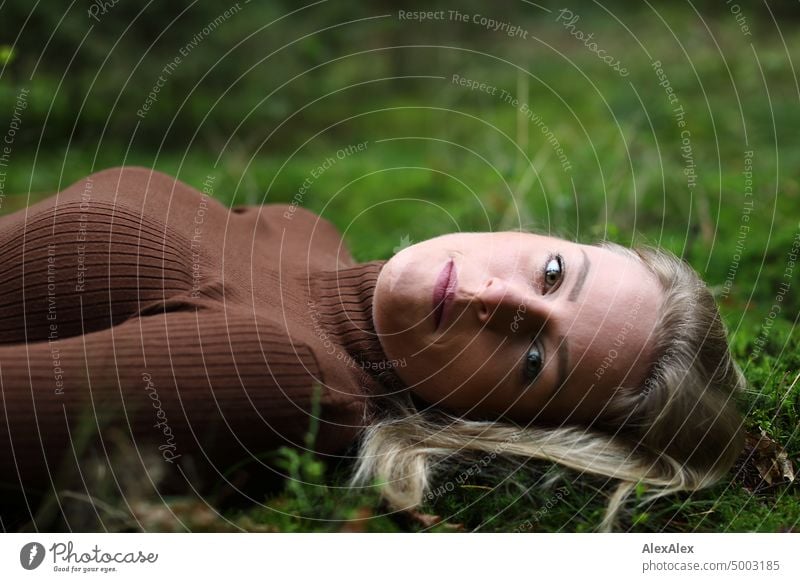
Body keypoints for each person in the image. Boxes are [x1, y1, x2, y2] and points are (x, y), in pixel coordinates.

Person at [0, 166, 744, 531]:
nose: (498, 301)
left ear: (501, 423)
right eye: (552, 273)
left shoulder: (286, 380)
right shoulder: (306, 232)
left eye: (533, 361)